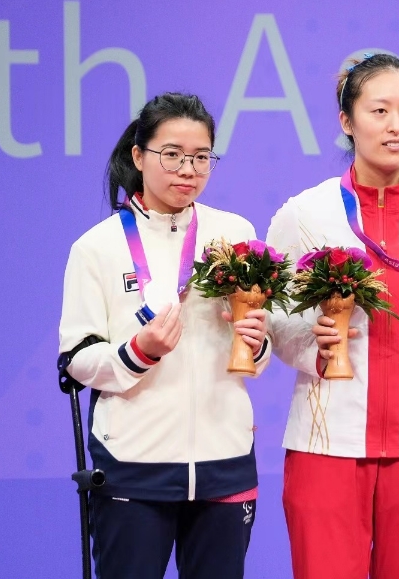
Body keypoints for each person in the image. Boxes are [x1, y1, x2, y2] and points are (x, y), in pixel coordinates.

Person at [266, 53, 399, 579]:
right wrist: (313, 345)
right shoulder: (304, 213)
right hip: (327, 443)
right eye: (379, 110)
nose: (396, 126)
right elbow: (274, 317)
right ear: (347, 120)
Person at [57, 93, 270, 578]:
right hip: (132, 465)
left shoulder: (235, 234)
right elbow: (77, 358)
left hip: (225, 461)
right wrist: (138, 352)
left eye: (201, 157)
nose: (187, 170)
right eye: (172, 155)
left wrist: (258, 342)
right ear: (139, 156)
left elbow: (260, 336)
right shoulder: (97, 247)